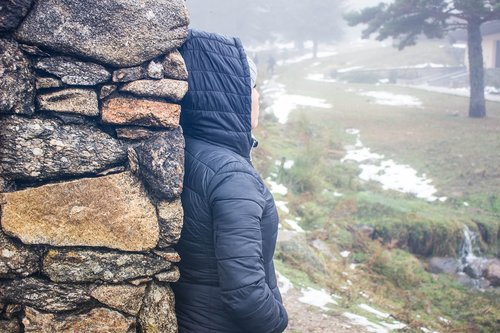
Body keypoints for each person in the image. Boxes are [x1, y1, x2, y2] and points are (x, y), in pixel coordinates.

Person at [172, 29, 289, 333]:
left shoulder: (186, 148)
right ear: (233, 92)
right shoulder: (232, 176)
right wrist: (277, 321)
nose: (258, 96)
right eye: (252, 86)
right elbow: (245, 293)